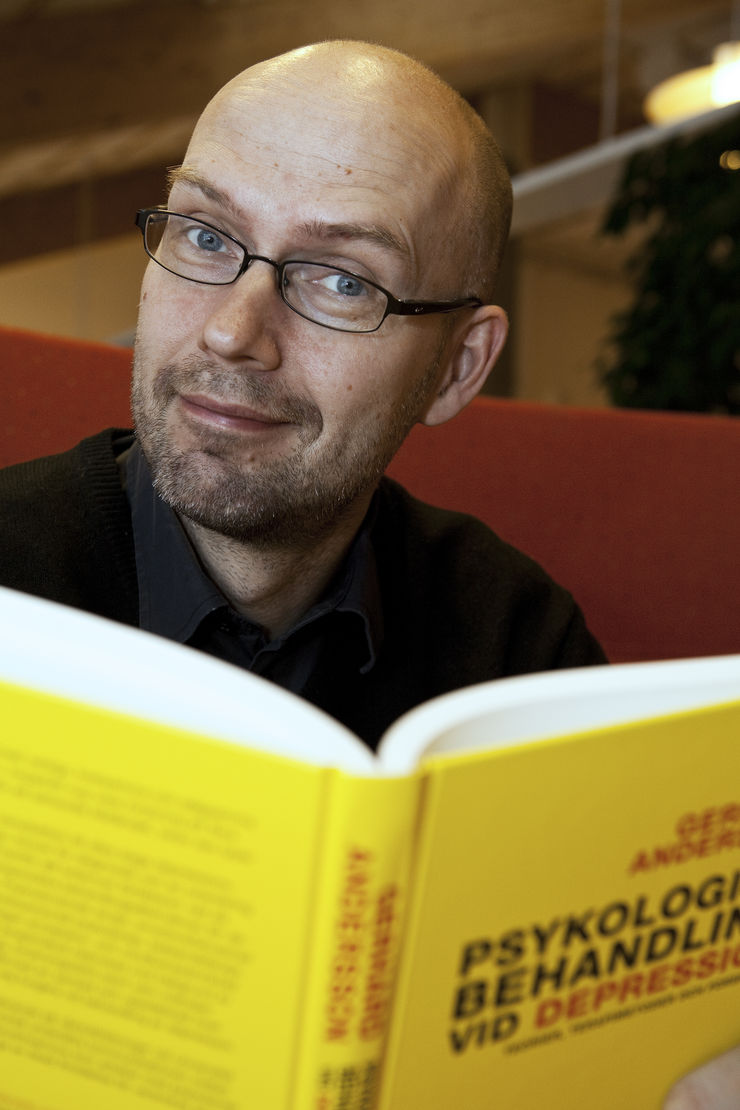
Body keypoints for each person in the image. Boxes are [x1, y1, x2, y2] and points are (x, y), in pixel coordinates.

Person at [0, 39, 737, 1107]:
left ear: (456, 368)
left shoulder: (515, 645)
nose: (232, 331)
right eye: (205, 236)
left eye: (341, 279)